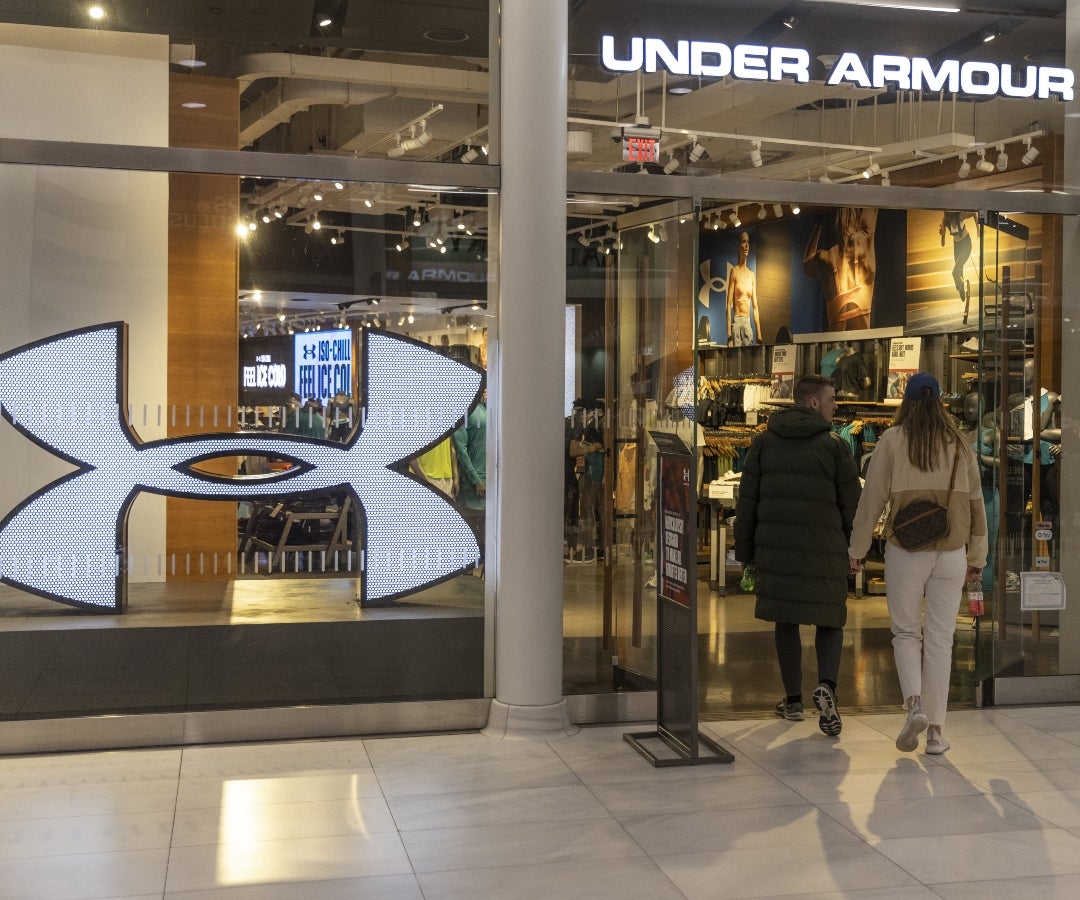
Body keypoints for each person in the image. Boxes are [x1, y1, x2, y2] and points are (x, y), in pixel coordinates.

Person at [847, 373, 987, 756]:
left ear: (906, 401)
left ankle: (915, 706)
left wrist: (857, 549)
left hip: (907, 551)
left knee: (907, 634)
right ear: (940, 402)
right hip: (951, 553)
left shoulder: (892, 441)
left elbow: (871, 500)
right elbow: (977, 507)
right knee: (941, 640)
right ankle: (937, 734)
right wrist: (978, 557)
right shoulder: (960, 443)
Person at [734, 374, 862, 736]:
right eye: (833, 399)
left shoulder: (763, 443)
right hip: (824, 551)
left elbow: (748, 502)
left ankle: (792, 701)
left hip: (776, 552)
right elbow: (851, 504)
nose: (836, 406)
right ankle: (827, 687)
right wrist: (858, 550)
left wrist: (745, 552)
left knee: (786, 621)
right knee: (829, 620)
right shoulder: (835, 446)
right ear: (813, 403)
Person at [803, 207, 878, 331]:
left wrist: (819, 225)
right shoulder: (863, 241)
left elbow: (806, 263)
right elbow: (872, 206)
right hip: (862, 345)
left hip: (835, 347)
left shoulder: (825, 259)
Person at [453, 388, 487, 571]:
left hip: (489, 479)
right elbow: (461, 450)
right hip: (474, 483)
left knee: (485, 525)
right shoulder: (465, 413)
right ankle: (468, 565)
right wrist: (475, 479)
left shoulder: (488, 410)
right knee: (472, 523)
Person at [939, 211, 976, 324]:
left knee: (955, 272)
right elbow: (943, 243)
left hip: (966, 244)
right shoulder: (945, 220)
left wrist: (979, 230)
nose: (946, 215)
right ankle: (961, 288)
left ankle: (960, 288)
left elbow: (974, 213)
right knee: (959, 273)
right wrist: (942, 234)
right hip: (957, 246)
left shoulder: (960, 216)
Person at [726, 231, 762, 346]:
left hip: (747, 322)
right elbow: (729, 304)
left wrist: (759, 334)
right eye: (743, 242)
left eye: (748, 242)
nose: (746, 245)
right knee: (735, 361)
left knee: (748, 361)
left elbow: (755, 307)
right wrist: (729, 335)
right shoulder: (734, 271)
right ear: (739, 246)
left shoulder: (751, 274)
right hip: (737, 321)